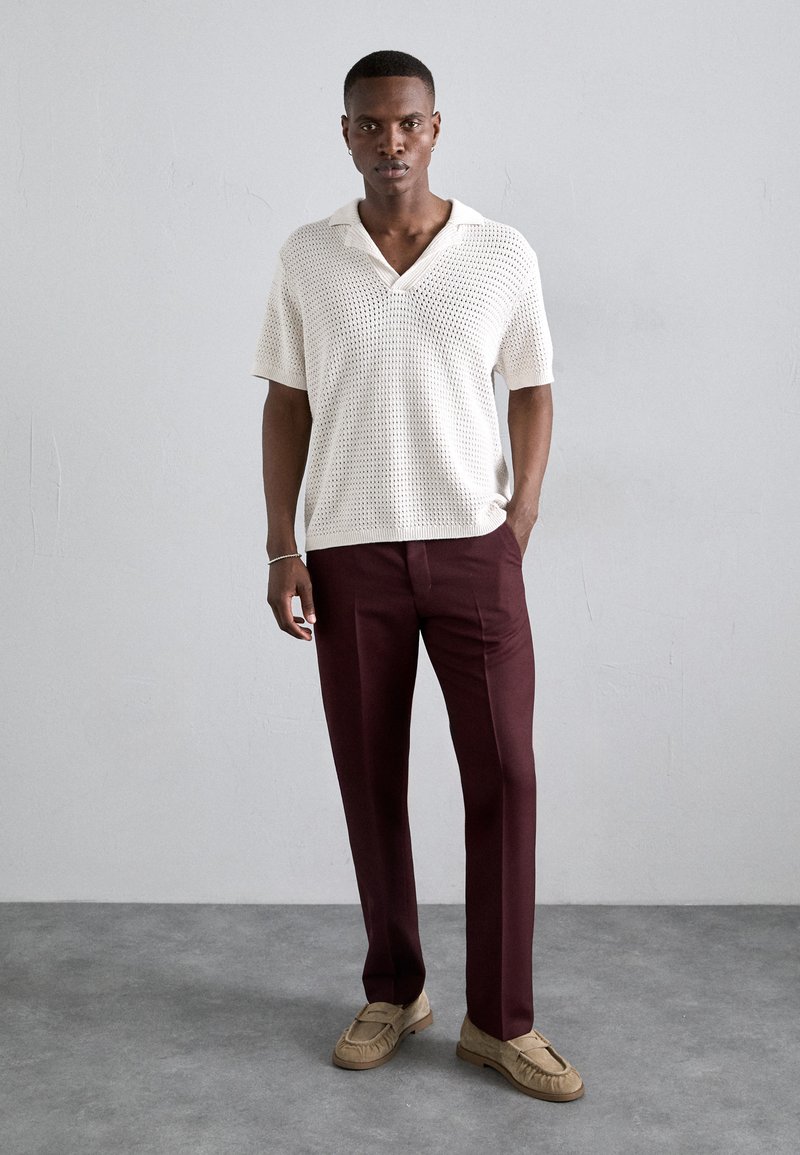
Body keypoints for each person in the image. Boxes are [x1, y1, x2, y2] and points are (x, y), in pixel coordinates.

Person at [251, 49, 584, 1102]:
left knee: (506, 776)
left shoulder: (498, 253)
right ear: (346, 132)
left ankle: (501, 1020)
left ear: (435, 128)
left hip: (473, 547)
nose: (390, 141)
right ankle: (394, 989)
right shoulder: (309, 256)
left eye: (407, 123)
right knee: (370, 776)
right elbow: (286, 402)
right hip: (350, 553)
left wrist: (520, 515)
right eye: (370, 124)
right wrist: (282, 544)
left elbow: (532, 386)